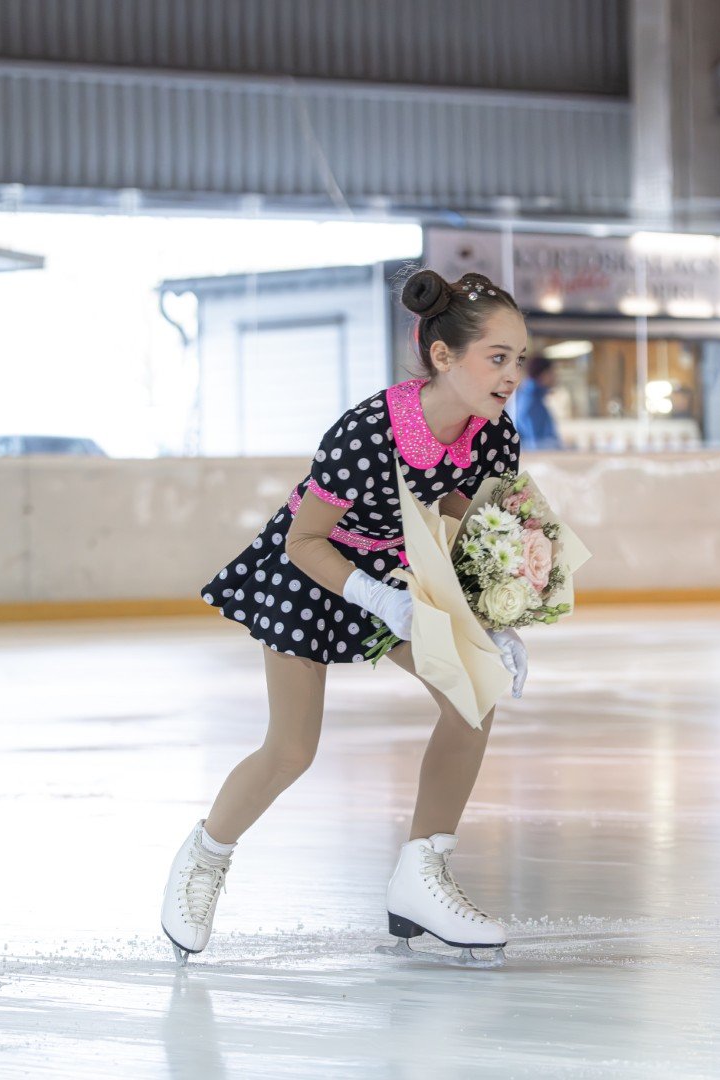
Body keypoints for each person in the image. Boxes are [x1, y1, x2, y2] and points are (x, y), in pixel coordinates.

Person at [162, 269, 530, 965]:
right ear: (445, 356)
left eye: (519, 359)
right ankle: (204, 858)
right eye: (497, 357)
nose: (512, 374)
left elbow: (461, 537)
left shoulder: (492, 438)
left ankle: (421, 875)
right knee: (292, 750)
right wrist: (381, 600)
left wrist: (489, 623)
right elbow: (305, 541)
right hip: (310, 570)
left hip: (396, 568)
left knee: (472, 698)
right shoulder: (367, 432)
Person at [513, 356, 563, 450]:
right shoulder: (530, 401)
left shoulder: (534, 397)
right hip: (538, 462)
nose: (556, 376)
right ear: (543, 374)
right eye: (553, 372)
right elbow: (535, 445)